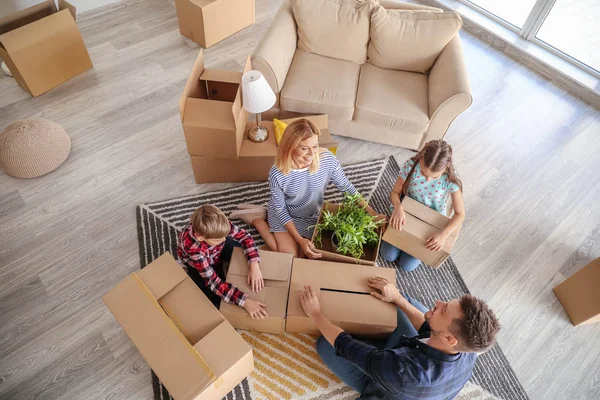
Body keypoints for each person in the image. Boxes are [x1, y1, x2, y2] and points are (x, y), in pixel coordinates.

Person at [301, 277, 500, 400]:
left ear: (450, 338)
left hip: (383, 386)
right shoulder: (469, 349)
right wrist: (397, 299)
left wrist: (316, 314)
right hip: (416, 364)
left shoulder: (402, 374)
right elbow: (427, 326)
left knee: (325, 344)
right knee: (398, 300)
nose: (438, 302)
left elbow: (346, 346)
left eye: (444, 309)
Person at [231, 118, 379, 258]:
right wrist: (299, 240)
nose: (311, 153)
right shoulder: (277, 173)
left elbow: (347, 187)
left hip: (310, 214)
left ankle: (261, 214)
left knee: (305, 256)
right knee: (289, 257)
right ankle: (257, 220)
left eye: (315, 146)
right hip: (284, 214)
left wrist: (372, 212)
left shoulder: (327, 160)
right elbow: (281, 210)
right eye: (304, 148)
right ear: (290, 147)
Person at [382, 140, 465, 271]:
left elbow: (460, 214)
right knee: (387, 255)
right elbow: (395, 192)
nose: (427, 179)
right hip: (407, 213)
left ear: (446, 166)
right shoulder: (411, 166)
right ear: (421, 159)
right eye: (423, 172)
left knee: (407, 265)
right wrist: (398, 207)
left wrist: (443, 234)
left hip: (430, 223)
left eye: (434, 176)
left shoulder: (450, 180)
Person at [177, 204, 267, 319]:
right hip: (197, 263)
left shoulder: (220, 227)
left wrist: (254, 265)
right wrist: (245, 302)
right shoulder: (196, 251)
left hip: (215, 250)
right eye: (219, 239)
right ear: (201, 238)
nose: (224, 239)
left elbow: (245, 236)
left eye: (225, 235)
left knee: (241, 250)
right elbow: (213, 282)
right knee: (216, 299)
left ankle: (224, 261)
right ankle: (188, 272)